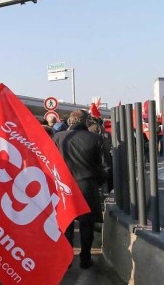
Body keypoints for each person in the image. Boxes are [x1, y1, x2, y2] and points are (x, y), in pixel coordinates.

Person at [54, 110, 112, 270]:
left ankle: (67, 259)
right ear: (86, 121)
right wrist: (96, 182)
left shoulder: (58, 138)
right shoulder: (96, 139)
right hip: (87, 186)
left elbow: (49, 163)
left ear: (71, 121)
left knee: (67, 224)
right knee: (87, 224)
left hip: (64, 187)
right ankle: (85, 258)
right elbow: (106, 167)